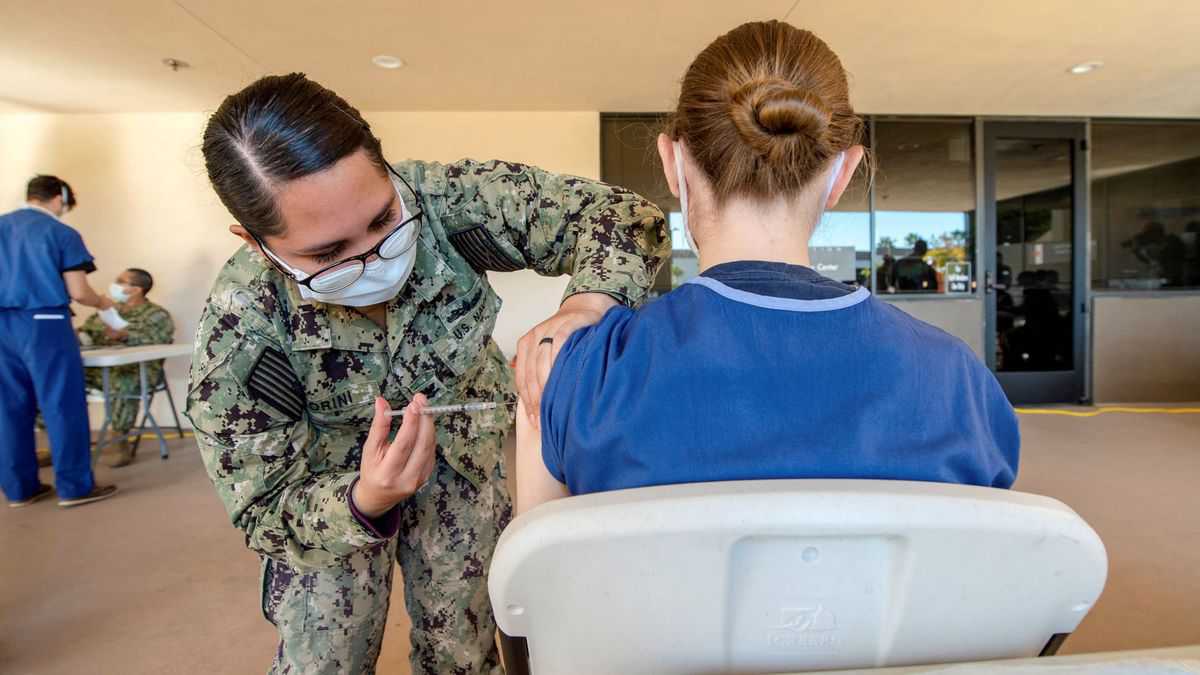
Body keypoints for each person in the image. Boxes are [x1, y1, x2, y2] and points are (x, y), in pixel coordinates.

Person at [186, 73, 668, 675]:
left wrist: (588, 306)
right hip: (327, 490)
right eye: (329, 255)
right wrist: (365, 500)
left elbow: (624, 216)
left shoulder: (447, 202)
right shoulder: (243, 327)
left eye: (385, 218)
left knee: (462, 644)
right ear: (259, 246)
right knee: (324, 656)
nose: (374, 258)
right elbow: (262, 509)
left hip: (462, 458)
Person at [516, 21, 1018, 514]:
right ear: (843, 173)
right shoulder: (959, 381)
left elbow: (539, 589)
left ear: (674, 163)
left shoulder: (565, 373)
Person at [0, 175, 119, 508]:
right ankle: (74, 487)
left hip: (1, 325)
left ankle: (20, 490)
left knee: (8, 409)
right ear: (59, 198)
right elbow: (79, 292)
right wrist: (103, 304)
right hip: (45, 323)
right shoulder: (60, 233)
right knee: (61, 404)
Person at [77, 268, 175, 467]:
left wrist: (125, 335)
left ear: (137, 289)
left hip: (138, 370)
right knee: (56, 381)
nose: (115, 284)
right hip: (99, 370)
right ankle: (56, 441)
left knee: (123, 380)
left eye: (121, 281)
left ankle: (119, 441)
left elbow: (161, 340)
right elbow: (87, 334)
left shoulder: (156, 314)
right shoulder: (108, 310)